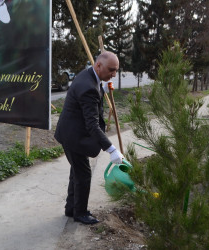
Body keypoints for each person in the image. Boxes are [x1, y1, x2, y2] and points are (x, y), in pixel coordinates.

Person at [54, 51, 124, 225]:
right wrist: (111, 149)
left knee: (77, 172)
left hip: (71, 132)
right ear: (99, 65)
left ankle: (71, 209)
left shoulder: (88, 76)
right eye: (111, 70)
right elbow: (92, 125)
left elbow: (93, 90)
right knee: (83, 174)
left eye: (116, 70)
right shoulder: (88, 87)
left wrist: (103, 88)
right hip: (73, 136)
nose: (114, 74)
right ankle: (81, 213)